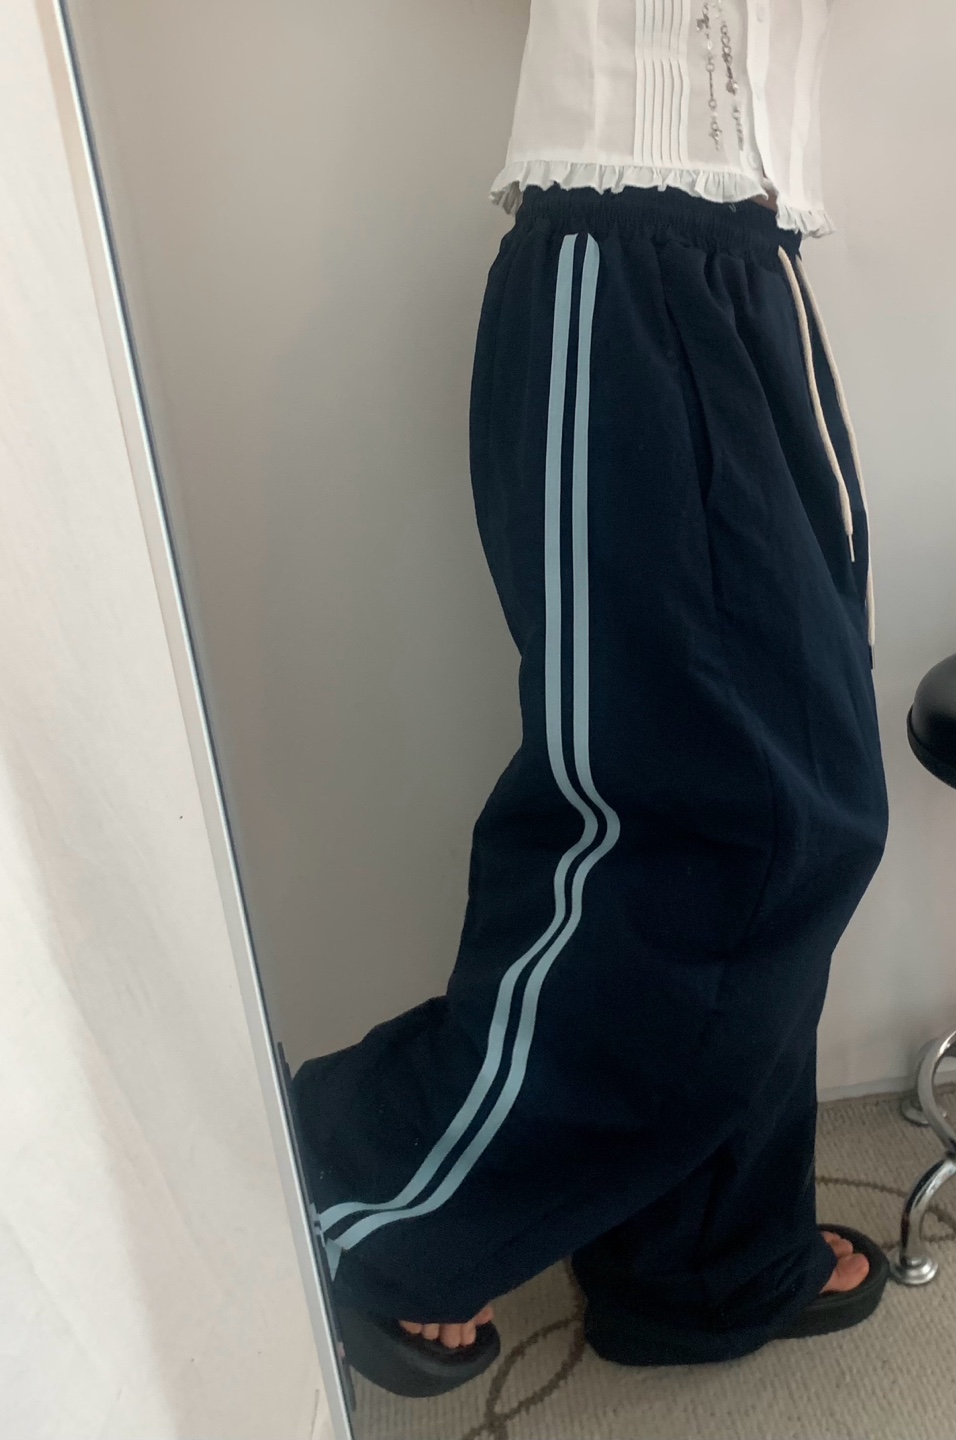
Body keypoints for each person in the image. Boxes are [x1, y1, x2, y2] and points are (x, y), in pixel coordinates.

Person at [290, 0, 890, 1398]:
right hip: (624, 265)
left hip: (747, 267)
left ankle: (704, 1253)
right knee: (724, 818)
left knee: (779, 785)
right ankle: (373, 1180)